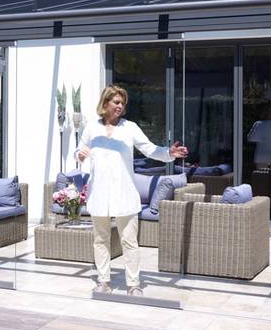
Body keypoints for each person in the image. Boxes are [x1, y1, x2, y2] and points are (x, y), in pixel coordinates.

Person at [76, 85, 188, 296]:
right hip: (98, 193)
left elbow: (149, 149)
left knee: (129, 241)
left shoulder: (130, 128)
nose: (120, 106)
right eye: (116, 102)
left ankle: (133, 284)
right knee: (100, 240)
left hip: (124, 193)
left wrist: (169, 153)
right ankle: (103, 281)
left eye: (122, 103)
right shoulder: (92, 128)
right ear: (105, 103)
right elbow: (80, 149)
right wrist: (79, 154)